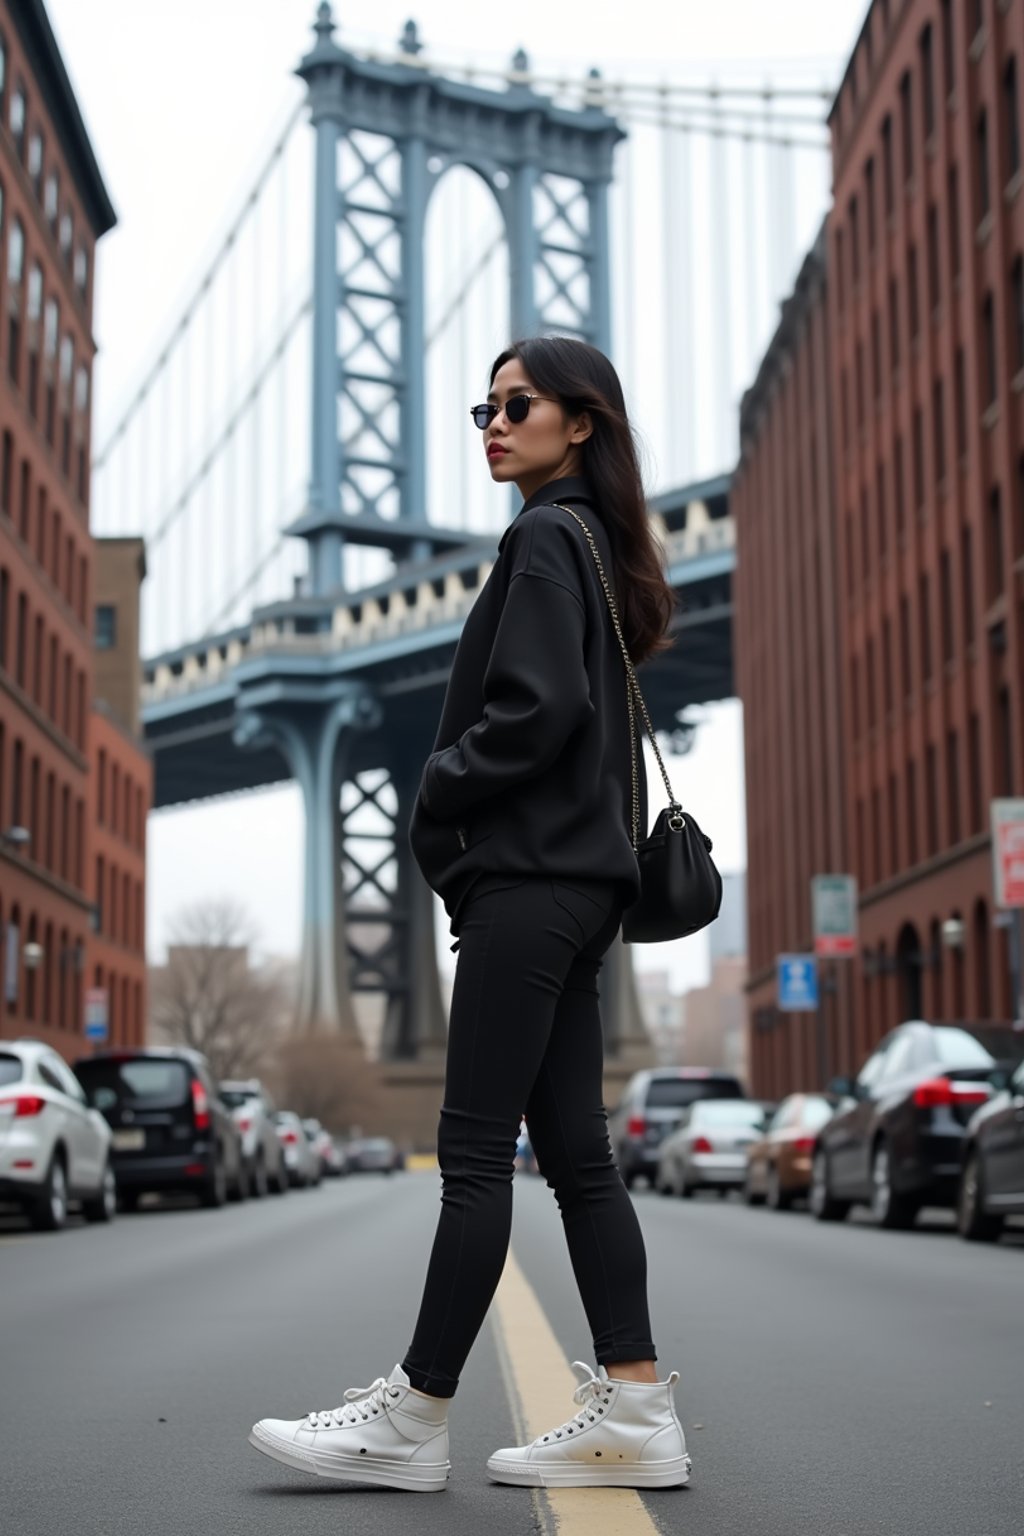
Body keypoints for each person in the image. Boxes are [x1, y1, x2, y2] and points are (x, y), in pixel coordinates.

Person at [249, 335, 691, 1493]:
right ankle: (637, 1408)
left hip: (529, 885)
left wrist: (437, 783)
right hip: (585, 891)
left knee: (473, 1155)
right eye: (482, 408)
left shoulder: (544, 535)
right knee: (581, 1160)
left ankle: (413, 1415)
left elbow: (536, 709)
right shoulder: (597, 544)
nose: (492, 424)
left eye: (518, 404)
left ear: (579, 423)